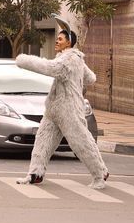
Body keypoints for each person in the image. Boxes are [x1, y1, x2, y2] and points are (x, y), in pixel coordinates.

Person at [16, 16, 109, 189]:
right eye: (57, 39)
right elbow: (91, 77)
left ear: (69, 43)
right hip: (54, 108)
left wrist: (24, 61)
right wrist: (77, 76)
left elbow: (51, 68)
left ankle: (99, 175)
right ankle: (35, 174)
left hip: (69, 109)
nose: (57, 42)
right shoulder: (74, 59)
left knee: (80, 142)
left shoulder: (70, 59)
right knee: (42, 140)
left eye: (60, 39)